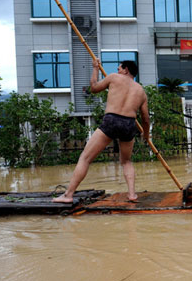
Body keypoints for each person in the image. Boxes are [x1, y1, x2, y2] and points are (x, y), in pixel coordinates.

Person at [52, 58, 150, 203]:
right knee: (126, 161)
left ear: (126, 69)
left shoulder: (114, 78)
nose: (117, 71)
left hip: (112, 120)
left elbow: (94, 88)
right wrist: (146, 136)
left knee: (85, 158)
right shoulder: (141, 91)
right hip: (129, 124)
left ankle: (68, 195)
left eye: (119, 68)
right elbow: (145, 118)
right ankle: (132, 195)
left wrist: (95, 68)